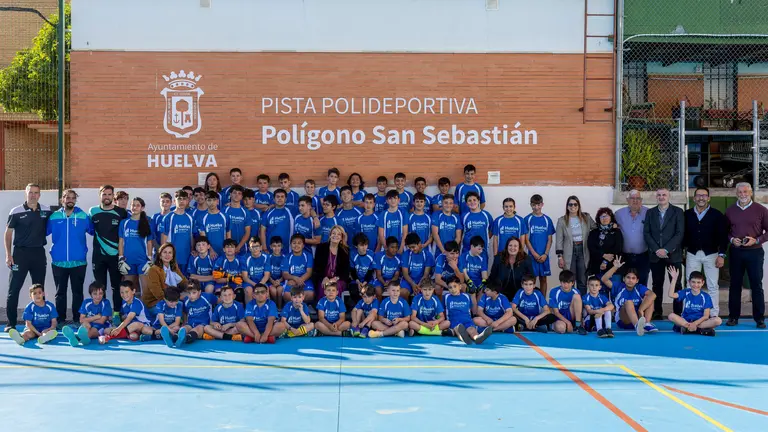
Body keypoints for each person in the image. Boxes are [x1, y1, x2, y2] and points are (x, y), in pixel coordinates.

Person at [725, 182, 768, 328]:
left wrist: (756, 240)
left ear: (750, 193)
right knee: (735, 285)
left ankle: (759, 318)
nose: (743, 194)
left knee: (756, 285)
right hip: (736, 252)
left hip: (755, 252)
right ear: (736, 193)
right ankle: (733, 317)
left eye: (745, 192)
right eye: (740, 192)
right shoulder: (730, 210)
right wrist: (732, 239)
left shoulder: (761, 210)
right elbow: (725, 231)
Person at [47, 189, 93, 326]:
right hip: (58, 261)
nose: (70, 200)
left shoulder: (83, 216)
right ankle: (60, 320)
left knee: (77, 292)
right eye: (67, 197)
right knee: (60, 293)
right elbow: (41, 231)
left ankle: (77, 319)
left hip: (79, 262)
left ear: (75, 200)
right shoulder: (54, 217)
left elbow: (94, 231)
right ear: (63, 199)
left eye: (73, 198)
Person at [683, 187, 728, 318]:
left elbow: (723, 236)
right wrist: (682, 252)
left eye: (704, 195)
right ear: (694, 198)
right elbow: (683, 235)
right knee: (690, 283)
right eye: (698, 195)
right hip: (692, 253)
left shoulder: (717, 215)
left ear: (708, 198)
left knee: (712, 285)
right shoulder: (687, 214)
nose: (701, 198)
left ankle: (713, 314)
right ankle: (689, 312)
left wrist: (721, 254)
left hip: (712, 254)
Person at [643, 188, 684, 318]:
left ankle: (678, 312)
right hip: (656, 256)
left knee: (676, 284)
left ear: (669, 196)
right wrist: (657, 250)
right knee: (657, 284)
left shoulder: (678, 211)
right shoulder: (650, 212)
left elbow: (679, 233)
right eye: (659, 195)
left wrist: (666, 249)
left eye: (664, 195)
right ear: (656, 197)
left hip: (673, 255)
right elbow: (647, 233)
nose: (661, 197)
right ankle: (657, 311)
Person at [89, 185, 128, 321]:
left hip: (115, 257)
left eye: (109, 194)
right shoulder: (92, 211)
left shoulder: (121, 212)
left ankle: (117, 313)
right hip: (98, 256)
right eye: (104, 194)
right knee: (100, 287)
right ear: (100, 195)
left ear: (113, 196)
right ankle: (103, 315)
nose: (107, 197)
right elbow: (90, 230)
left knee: (116, 286)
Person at [601, 257, 657, 336]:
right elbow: (604, 279)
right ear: (624, 279)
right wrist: (615, 267)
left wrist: (640, 310)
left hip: (638, 317)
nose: (630, 280)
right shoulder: (619, 286)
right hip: (623, 320)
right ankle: (637, 326)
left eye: (633, 278)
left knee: (650, 298)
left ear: (637, 281)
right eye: (628, 277)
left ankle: (646, 323)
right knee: (629, 302)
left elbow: (653, 295)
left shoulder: (639, 287)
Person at [556, 196, 595, 293]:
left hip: (583, 250)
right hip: (569, 251)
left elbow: (596, 228)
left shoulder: (586, 217)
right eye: (570, 204)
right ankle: (572, 304)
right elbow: (559, 239)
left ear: (578, 205)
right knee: (570, 279)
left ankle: (581, 305)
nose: (573, 206)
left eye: (575, 204)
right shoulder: (562, 220)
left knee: (582, 279)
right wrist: (560, 257)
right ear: (567, 206)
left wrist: (612, 225)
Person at [666, 267, 721, 336]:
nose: (696, 285)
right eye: (693, 282)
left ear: (702, 283)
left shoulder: (706, 296)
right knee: (671, 316)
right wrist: (674, 279)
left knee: (718, 320)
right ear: (689, 282)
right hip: (686, 321)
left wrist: (695, 324)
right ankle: (699, 330)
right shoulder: (686, 292)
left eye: (698, 282)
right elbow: (671, 295)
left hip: (700, 322)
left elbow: (706, 316)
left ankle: (689, 328)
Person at [118, 198, 155, 292]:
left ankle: (144, 307)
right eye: (133, 205)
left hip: (143, 261)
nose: (134, 207)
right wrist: (121, 258)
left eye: (137, 205)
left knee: (146, 290)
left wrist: (150, 260)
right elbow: (121, 242)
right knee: (128, 291)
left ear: (142, 208)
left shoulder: (148, 222)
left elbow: (149, 242)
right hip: (128, 261)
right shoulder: (124, 222)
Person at [614, 190, 650, 286]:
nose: (635, 201)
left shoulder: (649, 213)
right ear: (627, 200)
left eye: (638, 198)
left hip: (643, 256)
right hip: (624, 257)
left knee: (642, 284)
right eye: (632, 198)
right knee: (624, 284)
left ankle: (641, 301)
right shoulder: (618, 214)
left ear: (641, 200)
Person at [443, 277, 493, 344]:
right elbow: (442, 311)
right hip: (454, 321)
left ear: (460, 286)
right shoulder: (446, 297)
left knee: (472, 329)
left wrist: (473, 296)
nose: (453, 289)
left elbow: (473, 310)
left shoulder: (466, 296)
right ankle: (464, 338)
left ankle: (477, 338)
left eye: (455, 286)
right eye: (450, 287)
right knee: (458, 330)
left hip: (467, 320)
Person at [144, 242, 188, 316]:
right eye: (165, 252)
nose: (167, 255)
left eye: (170, 252)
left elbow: (184, 281)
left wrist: (192, 290)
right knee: (179, 305)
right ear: (160, 255)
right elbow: (158, 294)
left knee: (191, 301)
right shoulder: (153, 270)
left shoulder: (174, 267)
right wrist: (177, 298)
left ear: (172, 256)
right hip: (156, 303)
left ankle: (186, 324)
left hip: (172, 300)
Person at [524, 194, 555, 296]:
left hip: (544, 256)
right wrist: (534, 254)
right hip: (532, 256)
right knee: (531, 281)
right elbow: (526, 240)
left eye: (538, 205)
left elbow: (550, 239)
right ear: (530, 205)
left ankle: (543, 305)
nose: (536, 207)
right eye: (534, 205)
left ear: (542, 204)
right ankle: (532, 304)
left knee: (543, 279)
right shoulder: (527, 219)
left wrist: (545, 254)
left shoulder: (547, 220)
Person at [160, 190, 195, 273]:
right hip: (172, 258)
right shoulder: (168, 217)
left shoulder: (190, 218)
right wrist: (164, 256)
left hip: (187, 257)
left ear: (187, 201)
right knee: (171, 284)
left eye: (184, 199)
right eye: (179, 199)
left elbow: (192, 236)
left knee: (185, 283)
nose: (182, 201)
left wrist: (193, 250)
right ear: (174, 201)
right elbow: (163, 239)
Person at [312, 225, 351, 299]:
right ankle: (323, 309)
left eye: (339, 234)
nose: (335, 236)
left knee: (334, 288)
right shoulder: (321, 248)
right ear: (330, 235)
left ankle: (335, 308)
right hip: (323, 277)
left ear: (341, 238)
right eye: (333, 233)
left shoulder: (345, 250)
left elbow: (345, 271)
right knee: (324, 286)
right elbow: (317, 268)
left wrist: (335, 279)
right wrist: (324, 277)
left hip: (338, 279)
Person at [586, 208, 624, 284]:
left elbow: (618, 248)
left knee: (615, 291)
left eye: (607, 216)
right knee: (601, 292)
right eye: (602, 216)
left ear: (611, 218)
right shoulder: (594, 232)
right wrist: (603, 255)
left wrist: (605, 261)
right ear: (598, 219)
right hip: (598, 267)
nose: (605, 218)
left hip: (613, 267)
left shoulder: (616, 231)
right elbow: (591, 247)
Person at [548, 270, 587, 335]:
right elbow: (556, 312)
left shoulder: (576, 291)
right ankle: (553, 325)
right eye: (564, 282)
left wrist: (581, 320)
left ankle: (578, 325)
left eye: (568, 283)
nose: (566, 285)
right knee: (561, 328)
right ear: (560, 282)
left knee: (577, 297)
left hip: (571, 315)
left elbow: (578, 309)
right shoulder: (554, 291)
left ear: (572, 283)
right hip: (559, 317)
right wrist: (567, 322)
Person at [281, 234, 315, 304]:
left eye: (299, 243)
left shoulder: (308, 256)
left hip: (305, 280)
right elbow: (285, 274)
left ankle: (303, 307)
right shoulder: (287, 257)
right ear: (290, 244)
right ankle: (294, 307)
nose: (296, 245)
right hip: (292, 281)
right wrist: (295, 279)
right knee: (287, 295)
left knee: (311, 295)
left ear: (303, 245)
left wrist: (299, 280)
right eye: (294, 243)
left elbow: (309, 272)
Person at [260, 189, 295, 254]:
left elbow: (308, 208)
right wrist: (264, 248)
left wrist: (315, 217)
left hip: (287, 249)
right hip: (270, 249)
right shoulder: (268, 213)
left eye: (282, 196)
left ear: (286, 199)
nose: (280, 199)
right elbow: (262, 231)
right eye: (277, 196)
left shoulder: (291, 211)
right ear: (274, 199)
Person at [400, 233, 435, 298]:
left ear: (419, 243)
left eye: (413, 247)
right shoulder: (405, 254)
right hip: (409, 280)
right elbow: (405, 274)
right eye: (410, 247)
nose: (411, 249)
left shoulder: (428, 255)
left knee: (424, 292)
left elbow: (426, 274)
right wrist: (413, 284)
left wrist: (419, 285)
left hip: (423, 280)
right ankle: (406, 308)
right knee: (403, 293)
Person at [197, 191, 229, 258]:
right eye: (209, 200)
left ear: (217, 202)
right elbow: (203, 238)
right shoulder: (201, 217)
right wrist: (211, 250)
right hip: (209, 252)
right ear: (205, 201)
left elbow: (228, 235)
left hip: (223, 251)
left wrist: (228, 249)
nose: (211, 203)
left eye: (214, 200)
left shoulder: (225, 216)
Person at [461, 192, 493, 259]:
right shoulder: (464, 216)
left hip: (483, 250)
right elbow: (460, 232)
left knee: (482, 269)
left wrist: (485, 239)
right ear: (466, 203)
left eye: (474, 200)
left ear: (478, 201)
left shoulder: (486, 215)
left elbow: (491, 230)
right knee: (465, 269)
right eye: (469, 200)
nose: (472, 202)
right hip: (467, 249)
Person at [180, 280, 212, 345]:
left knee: (198, 329)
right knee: (185, 328)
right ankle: (177, 337)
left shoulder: (207, 297)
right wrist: (184, 322)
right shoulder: (186, 301)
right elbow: (185, 312)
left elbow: (219, 301)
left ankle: (189, 337)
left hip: (203, 324)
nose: (191, 295)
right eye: (189, 293)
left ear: (199, 292)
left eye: (194, 293)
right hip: (190, 323)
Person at [222, 185, 251, 258]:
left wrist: (238, 247)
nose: (237, 195)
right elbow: (222, 230)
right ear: (230, 194)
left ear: (242, 197)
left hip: (242, 247)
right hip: (227, 248)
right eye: (234, 193)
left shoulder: (245, 212)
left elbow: (247, 233)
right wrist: (230, 247)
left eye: (239, 193)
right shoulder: (224, 211)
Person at [241, 237, 272, 304]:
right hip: (250, 282)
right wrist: (255, 285)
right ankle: (249, 310)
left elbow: (267, 275)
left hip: (262, 282)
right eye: (252, 247)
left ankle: (266, 311)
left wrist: (260, 284)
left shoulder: (266, 257)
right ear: (249, 248)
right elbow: (245, 277)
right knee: (248, 290)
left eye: (257, 246)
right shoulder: (245, 258)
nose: (255, 249)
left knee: (265, 289)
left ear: (261, 247)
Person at [459, 236, 488, 306]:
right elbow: (464, 273)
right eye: (479, 249)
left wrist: (483, 283)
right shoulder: (463, 256)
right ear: (472, 246)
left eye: (482, 249)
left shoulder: (482, 257)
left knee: (483, 290)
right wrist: (470, 282)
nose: (481, 251)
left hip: (478, 281)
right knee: (472, 291)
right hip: (468, 281)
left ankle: (477, 312)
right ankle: (474, 314)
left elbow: (484, 274)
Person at [350, 233, 375, 308]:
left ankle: (367, 308)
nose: (364, 247)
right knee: (353, 290)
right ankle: (356, 307)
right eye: (361, 245)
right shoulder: (352, 254)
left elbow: (371, 271)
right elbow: (352, 271)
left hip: (367, 280)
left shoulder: (371, 254)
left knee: (368, 291)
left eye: (366, 245)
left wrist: (364, 282)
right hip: (356, 280)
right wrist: (357, 281)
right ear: (356, 246)